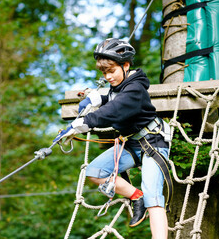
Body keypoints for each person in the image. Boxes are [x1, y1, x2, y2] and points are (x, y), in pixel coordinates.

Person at [54, 38, 171, 239]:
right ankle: (136, 197)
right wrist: (94, 98)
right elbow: (111, 97)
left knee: (153, 195)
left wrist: (82, 123)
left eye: (112, 71)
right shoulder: (119, 85)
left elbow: (116, 109)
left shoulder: (135, 89)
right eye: (104, 73)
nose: (108, 77)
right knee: (94, 171)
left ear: (126, 65)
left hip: (152, 142)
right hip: (132, 143)